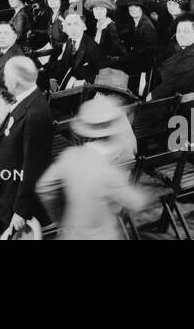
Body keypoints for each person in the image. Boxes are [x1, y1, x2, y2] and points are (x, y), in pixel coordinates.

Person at [35, 96, 150, 240]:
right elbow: (135, 202)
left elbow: (44, 187)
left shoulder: (70, 156)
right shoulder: (108, 170)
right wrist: (145, 196)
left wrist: (62, 217)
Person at [0, 56, 54, 238]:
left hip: (16, 200)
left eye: (6, 76)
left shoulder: (36, 112)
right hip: (6, 193)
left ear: (16, 81)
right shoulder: (25, 101)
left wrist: (21, 211)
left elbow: (34, 166)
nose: (4, 81)